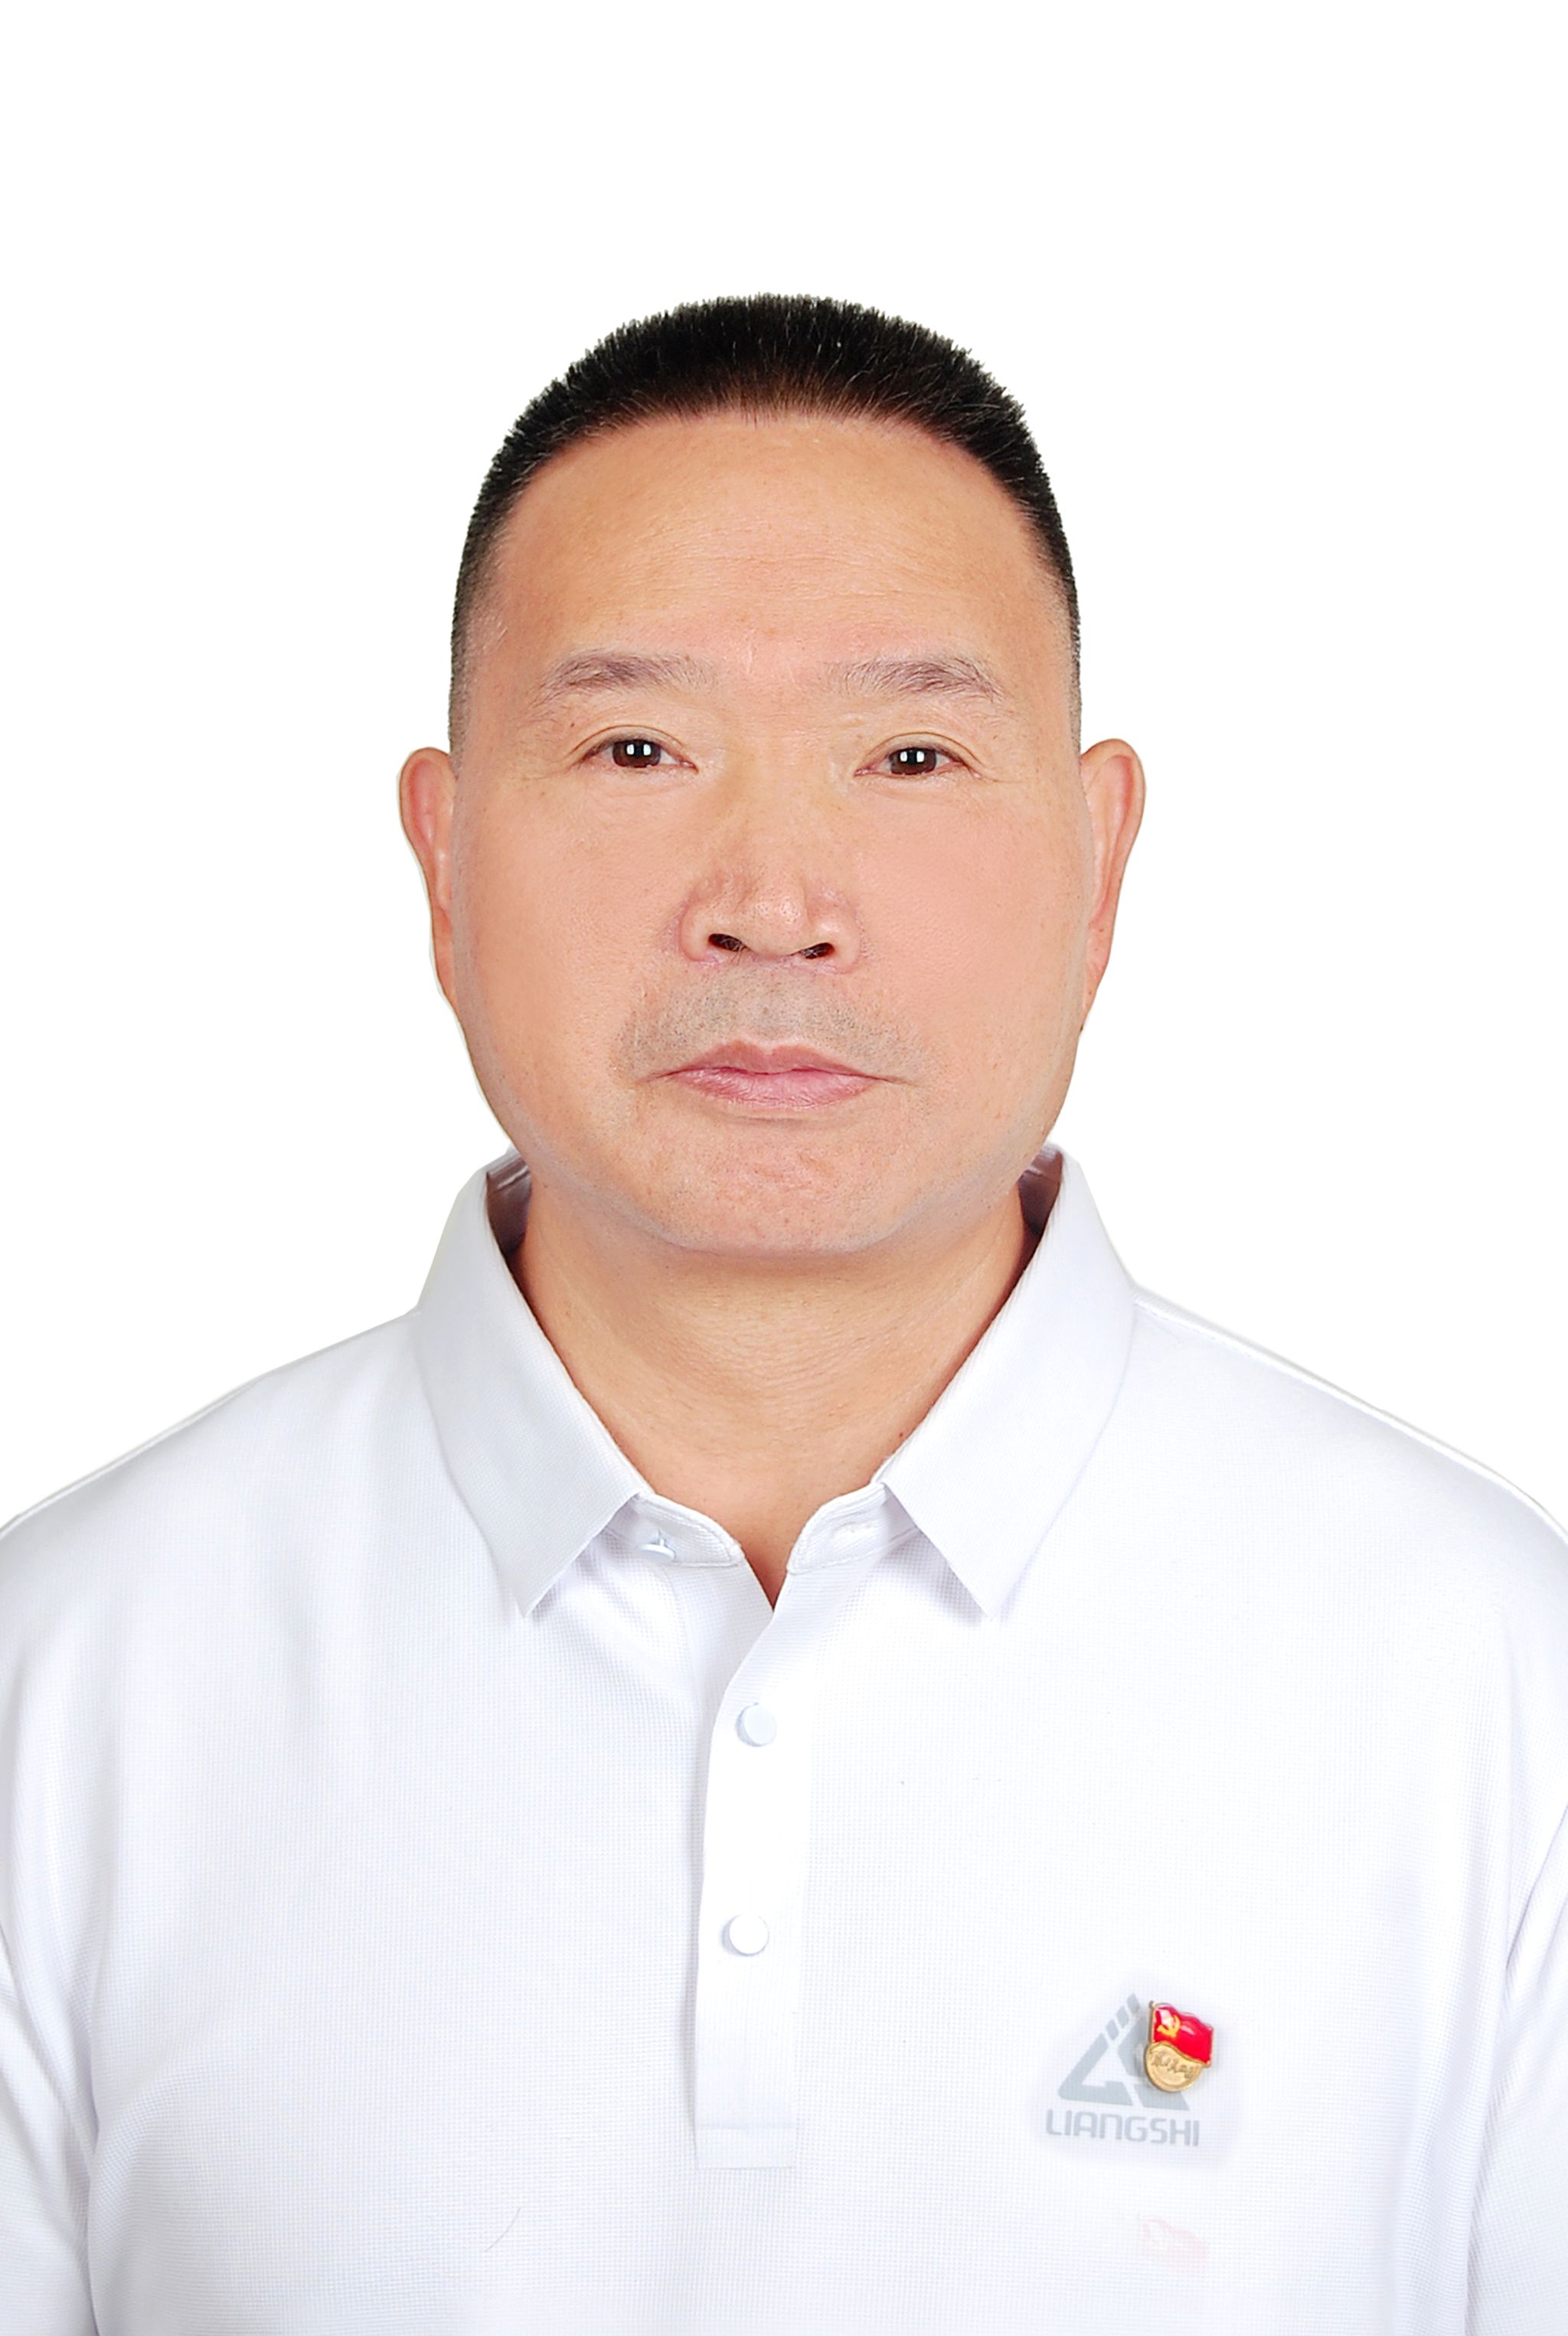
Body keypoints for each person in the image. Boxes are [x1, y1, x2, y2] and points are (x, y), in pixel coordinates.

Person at [1, 293, 1563, 2336]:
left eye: (911, 754)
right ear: (442, 857)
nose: (771, 897)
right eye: (637, 748)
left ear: (1101, 858)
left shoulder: (1492, 1683)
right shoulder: (65, 1680)